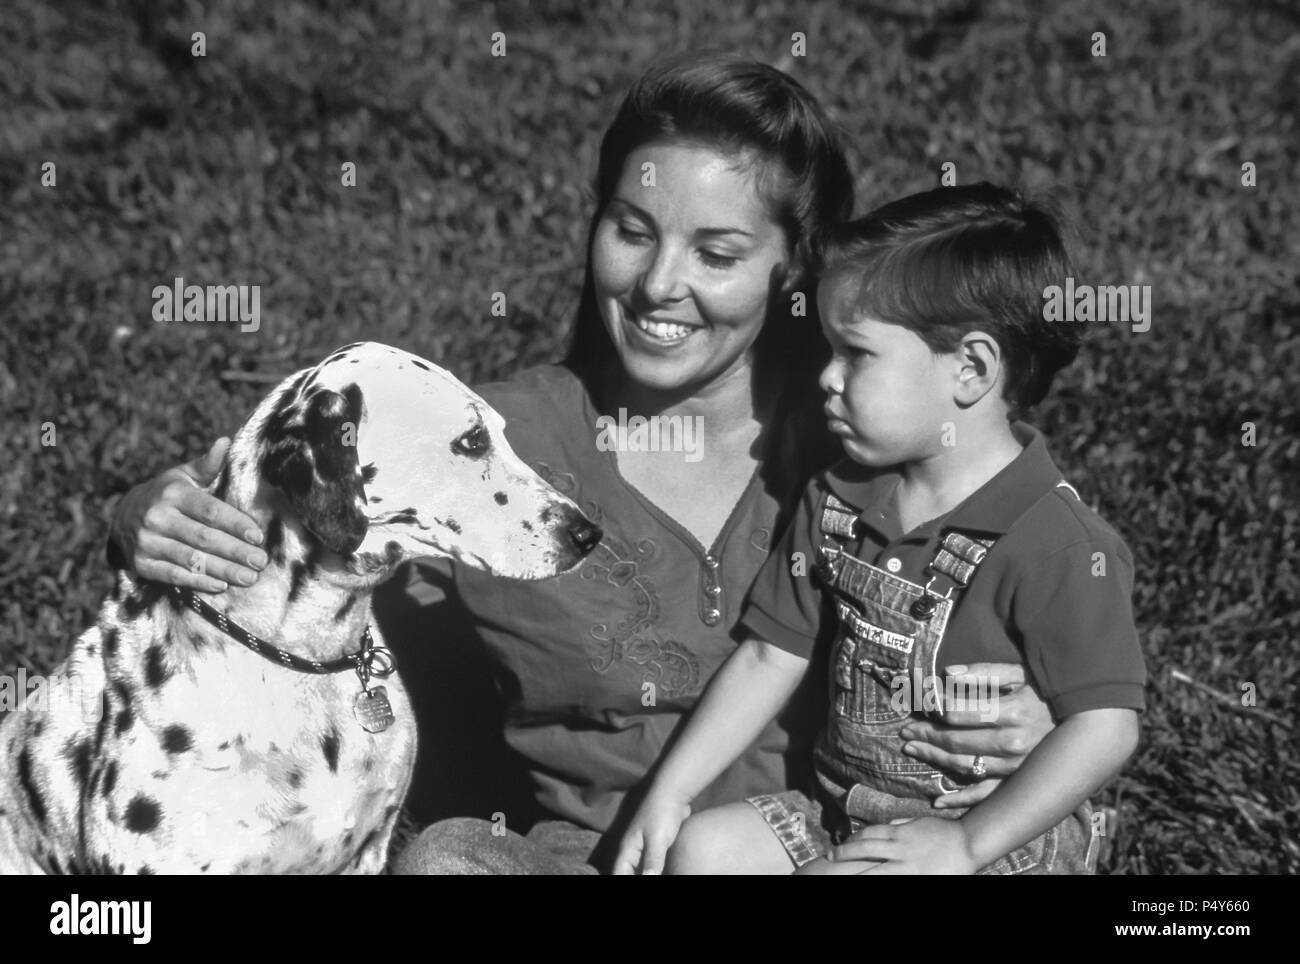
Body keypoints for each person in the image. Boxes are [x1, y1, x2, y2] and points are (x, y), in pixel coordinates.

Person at [108, 54, 1058, 875]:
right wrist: (145, 518)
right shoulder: (499, 446)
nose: (657, 285)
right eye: (632, 230)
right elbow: (263, 535)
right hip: (588, 861)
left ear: (795, 271)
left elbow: (1040, 581)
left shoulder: (861, 434)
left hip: (827, 854)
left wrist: (1033, 716)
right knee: (447, 862)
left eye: (716, 253)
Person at [614, 183, 1147, 876]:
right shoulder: (836, 498)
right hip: (846, 812)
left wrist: (965, 842)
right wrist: (672, 791)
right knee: (704, 850)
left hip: (998, 836)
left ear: (972, 369)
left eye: (856, 354)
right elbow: (771, 656)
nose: (826, 379)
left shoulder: (1058, 541)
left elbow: (1107, 725)